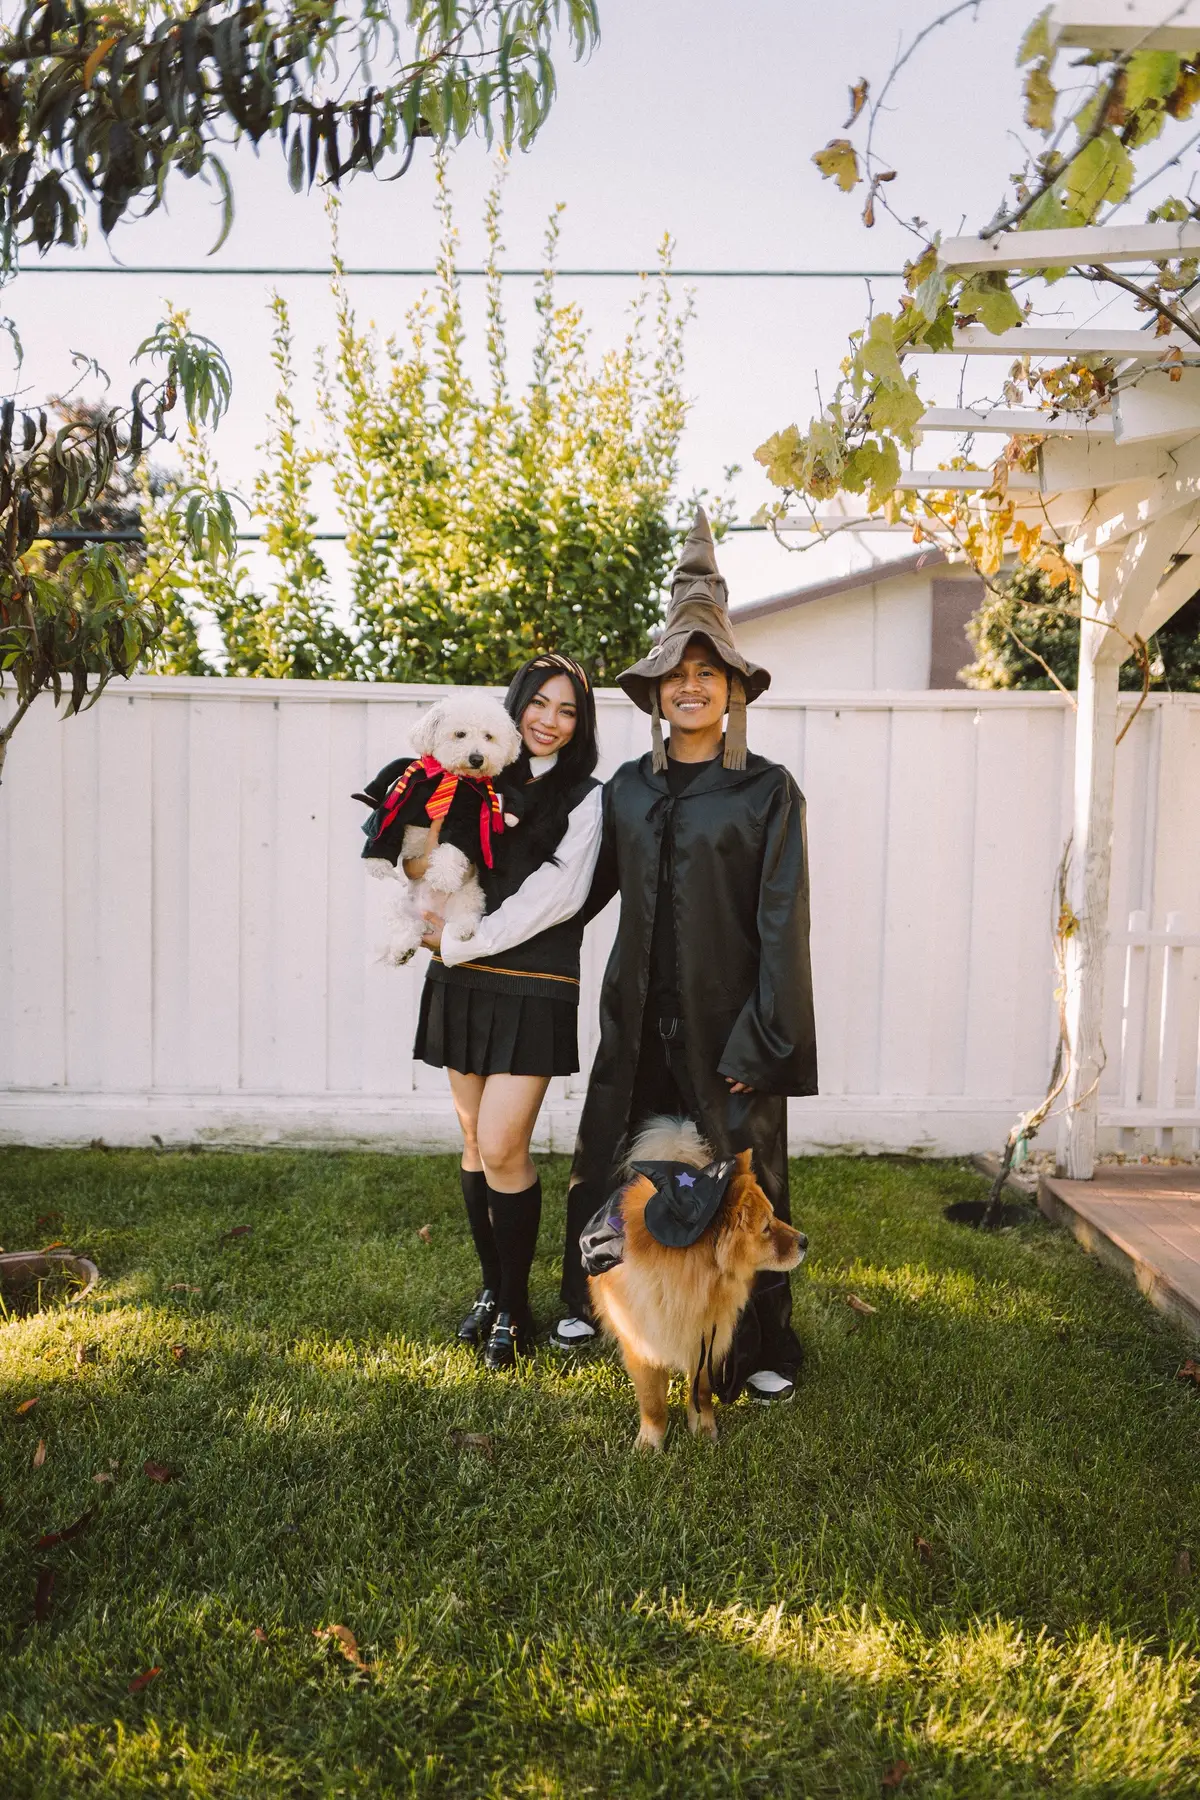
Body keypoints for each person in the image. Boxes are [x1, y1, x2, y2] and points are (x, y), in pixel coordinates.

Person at [552, 510, 818, 1405]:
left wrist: (765, 1041)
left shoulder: (767, 792)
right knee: (618, 1159)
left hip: (731, 1030)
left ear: (734, 688)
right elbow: (576, 889)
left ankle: (759, 1345)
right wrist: (471, 920)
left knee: (746, 1181)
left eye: (708, 673)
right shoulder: (629, 789)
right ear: (656, 691)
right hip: (640, 1027)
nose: (691, 687)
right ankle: (604, 1306)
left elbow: (784, 923)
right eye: (677, 674)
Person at [413, 653, 602, 1371]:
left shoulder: (588, 797)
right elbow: (423, 849)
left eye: (567, 711)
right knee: (471, 1146)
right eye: (540, 705)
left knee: (502, 1148)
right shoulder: (473, 768)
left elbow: (559, 896)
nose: (549, 721)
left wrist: (469, 943)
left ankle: (518, 1306)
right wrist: (417, 881)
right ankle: (494, 1294)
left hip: (532, 980)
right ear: (517, 704)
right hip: (460, 979)